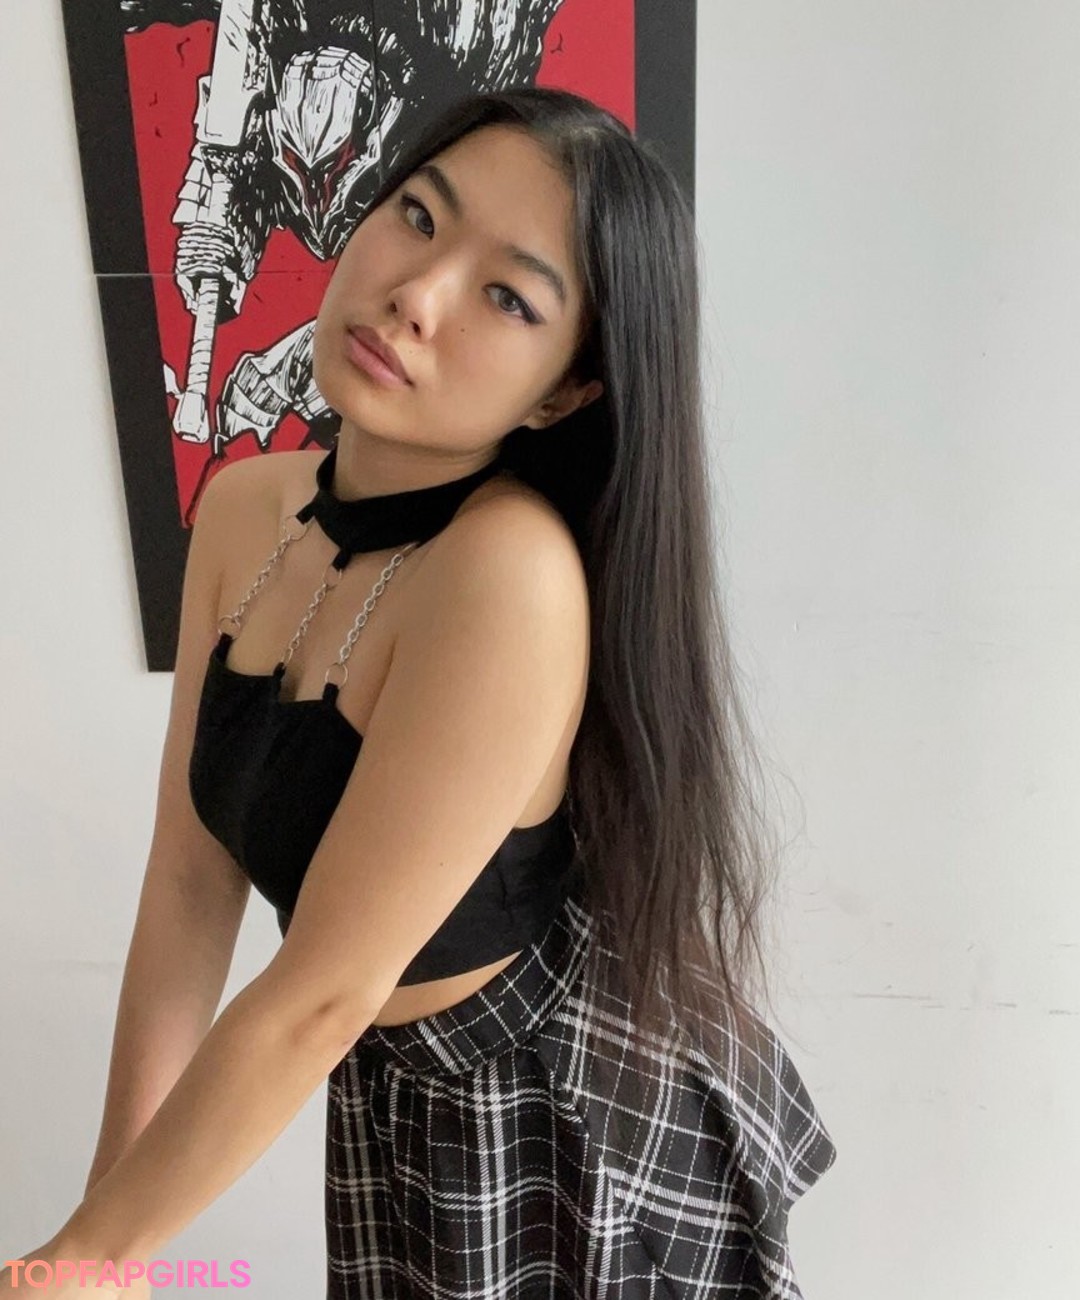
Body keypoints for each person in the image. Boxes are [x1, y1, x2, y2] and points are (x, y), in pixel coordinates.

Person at [1, 88, 836, 1299]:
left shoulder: (510, 575)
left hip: (555, 1116)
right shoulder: (243, 508)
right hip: (384, 1085)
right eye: (418, 216)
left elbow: (322, 992)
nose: (416, 294)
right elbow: (189, 885)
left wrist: (83, 1258)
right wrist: (104, 1235)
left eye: (509, 297)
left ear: (565, 390)